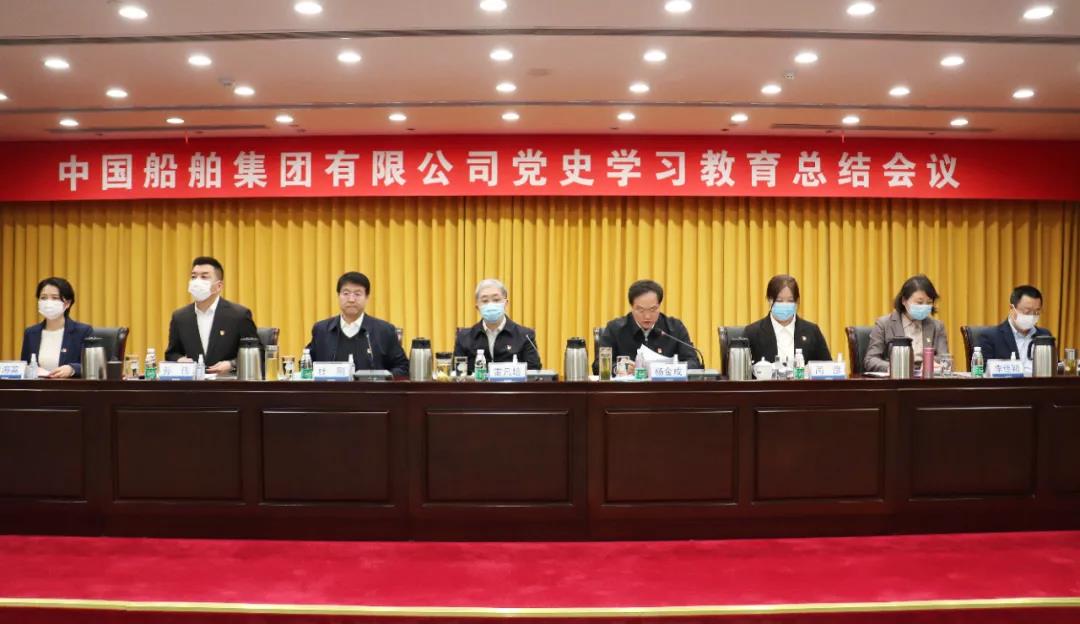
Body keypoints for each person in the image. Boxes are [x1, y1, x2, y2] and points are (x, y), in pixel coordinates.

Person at [165, 256, 258, 373]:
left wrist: (232, 364)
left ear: (219, 286)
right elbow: (172, 353)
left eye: (204, 277)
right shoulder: (180, 317)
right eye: (194, 277)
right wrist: (180, 360)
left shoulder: (239, 315)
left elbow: (258, 352)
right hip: (193, 382)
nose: (197, 281)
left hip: (228, 381)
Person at [306, 271, 409, 377]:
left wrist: (383, 378)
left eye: (357, 294)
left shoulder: (385, 331)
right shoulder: (321, 330)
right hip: (330, 388)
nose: (351, 299)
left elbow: (403, 367)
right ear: (338, 295)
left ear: (367, 297)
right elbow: (306, 366)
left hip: (372, 388)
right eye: (346, 293)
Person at [593, 279, 702, 374]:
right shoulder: (615, 329)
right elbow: (598, 365)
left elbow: (694, 363)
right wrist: (618, 368)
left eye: (653, 309)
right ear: (632, 307)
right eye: (640, 310)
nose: (647, 316)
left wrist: (668, 369)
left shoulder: (675, 328)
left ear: (659, 306)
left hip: (665, 389)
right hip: (628, 390)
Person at [865, 274, 949, 373]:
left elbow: (944, 358)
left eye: (929, 302)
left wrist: (932, 363)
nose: (924, 306)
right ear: (904, 300)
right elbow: (870, 360)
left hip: (926, 378)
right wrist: (893, 367)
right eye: (919, 302)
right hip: (897, 378)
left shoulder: (937, 326)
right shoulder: (884, 324)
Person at [454, 278, 541, 372]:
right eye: (485, 301)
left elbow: (534, 372)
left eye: (496, 300)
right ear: (477, 307)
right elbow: (457, 372)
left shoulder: (525, 336)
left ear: (505, 303)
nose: (491, 305)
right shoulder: (463, 337)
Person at [743, 274, 830, 365]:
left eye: (790, 300)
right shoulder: (752, 333)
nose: (784, 304)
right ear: (769, 300)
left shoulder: (812, 331)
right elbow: (741, 371)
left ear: (797, 302)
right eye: (779, 300)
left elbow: (827, 368)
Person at [20, 277, 93, 378]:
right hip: (38, 387)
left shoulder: (83, 331)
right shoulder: (31, 333)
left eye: (54, 298)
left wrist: (72, 369)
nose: (48, 302)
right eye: (43, 298)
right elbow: (24, 366)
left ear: (67, 303)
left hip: (69, 386)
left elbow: (92, 367)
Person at [975, 285, 1052, 362]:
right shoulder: (990, 337)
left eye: (1036, 312)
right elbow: (984, 368)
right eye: (1027, 311)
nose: (1032, 316)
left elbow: (1052, 366)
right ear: (1012, 309)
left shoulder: (1045, 335)